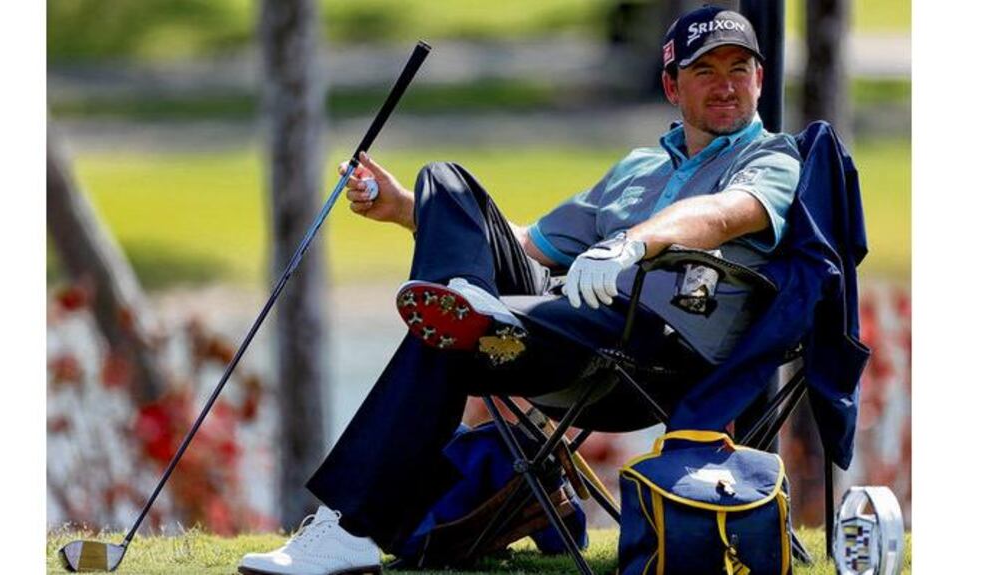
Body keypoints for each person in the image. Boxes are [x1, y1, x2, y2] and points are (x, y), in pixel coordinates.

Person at [238, 6, 802, 575]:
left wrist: (632, 243)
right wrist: (408, 210)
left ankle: (349, 525)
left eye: (740, 68)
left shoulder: (771, 157)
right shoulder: (639, 167)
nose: (726, 85)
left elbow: (726, 214)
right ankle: (472, 304)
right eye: (705, 71)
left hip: (657, 348)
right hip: (574, 328)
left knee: (449, 334)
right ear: (671, 86)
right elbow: (532, 242)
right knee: (445, 184)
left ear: (759, 78)